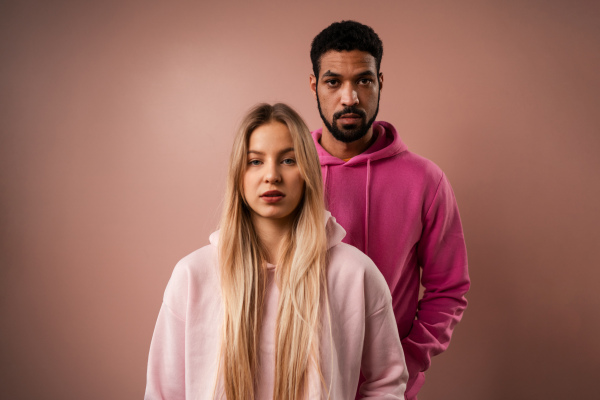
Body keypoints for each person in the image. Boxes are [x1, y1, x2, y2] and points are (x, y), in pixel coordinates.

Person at [144, 103, 408, 399]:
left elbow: (388, 381)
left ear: (307, 171)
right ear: (238, 175)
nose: (271, 175)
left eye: (288, 160)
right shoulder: (192, 276)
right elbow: (162, 393)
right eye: (255, 161)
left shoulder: (355, 273)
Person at [308, 21, 471, 399]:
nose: (349, 98)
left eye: (363, 81)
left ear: (380, 81)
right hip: (300, 384)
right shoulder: (290, 174)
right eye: (333, 82)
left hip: (389, 390)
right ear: (314, 86)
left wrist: (405, 363)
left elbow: (449, 289)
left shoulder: (425, 179)